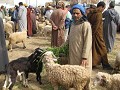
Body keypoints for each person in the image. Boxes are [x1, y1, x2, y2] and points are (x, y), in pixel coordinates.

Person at [87, 1, 113, 70]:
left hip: (92, 33)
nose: (103, 9)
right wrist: (92, 34)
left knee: (93, 49)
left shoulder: (90, 13)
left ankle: (93, 63)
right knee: (103, 50)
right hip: (97, 34)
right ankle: (106, 65)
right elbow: (96, 26)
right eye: (103, 8)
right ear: (101, 7)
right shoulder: (99, 14)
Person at [68, 4, 92, 73]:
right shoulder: (72, 24)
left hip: (82, 55)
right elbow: (69, 38)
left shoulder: (85, 25)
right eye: (74, 13)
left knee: (82, 75)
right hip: (73, 54)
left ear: (82, 14)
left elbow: (88, 42)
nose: (75, 15)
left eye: (77, 13)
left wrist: (84, 57)